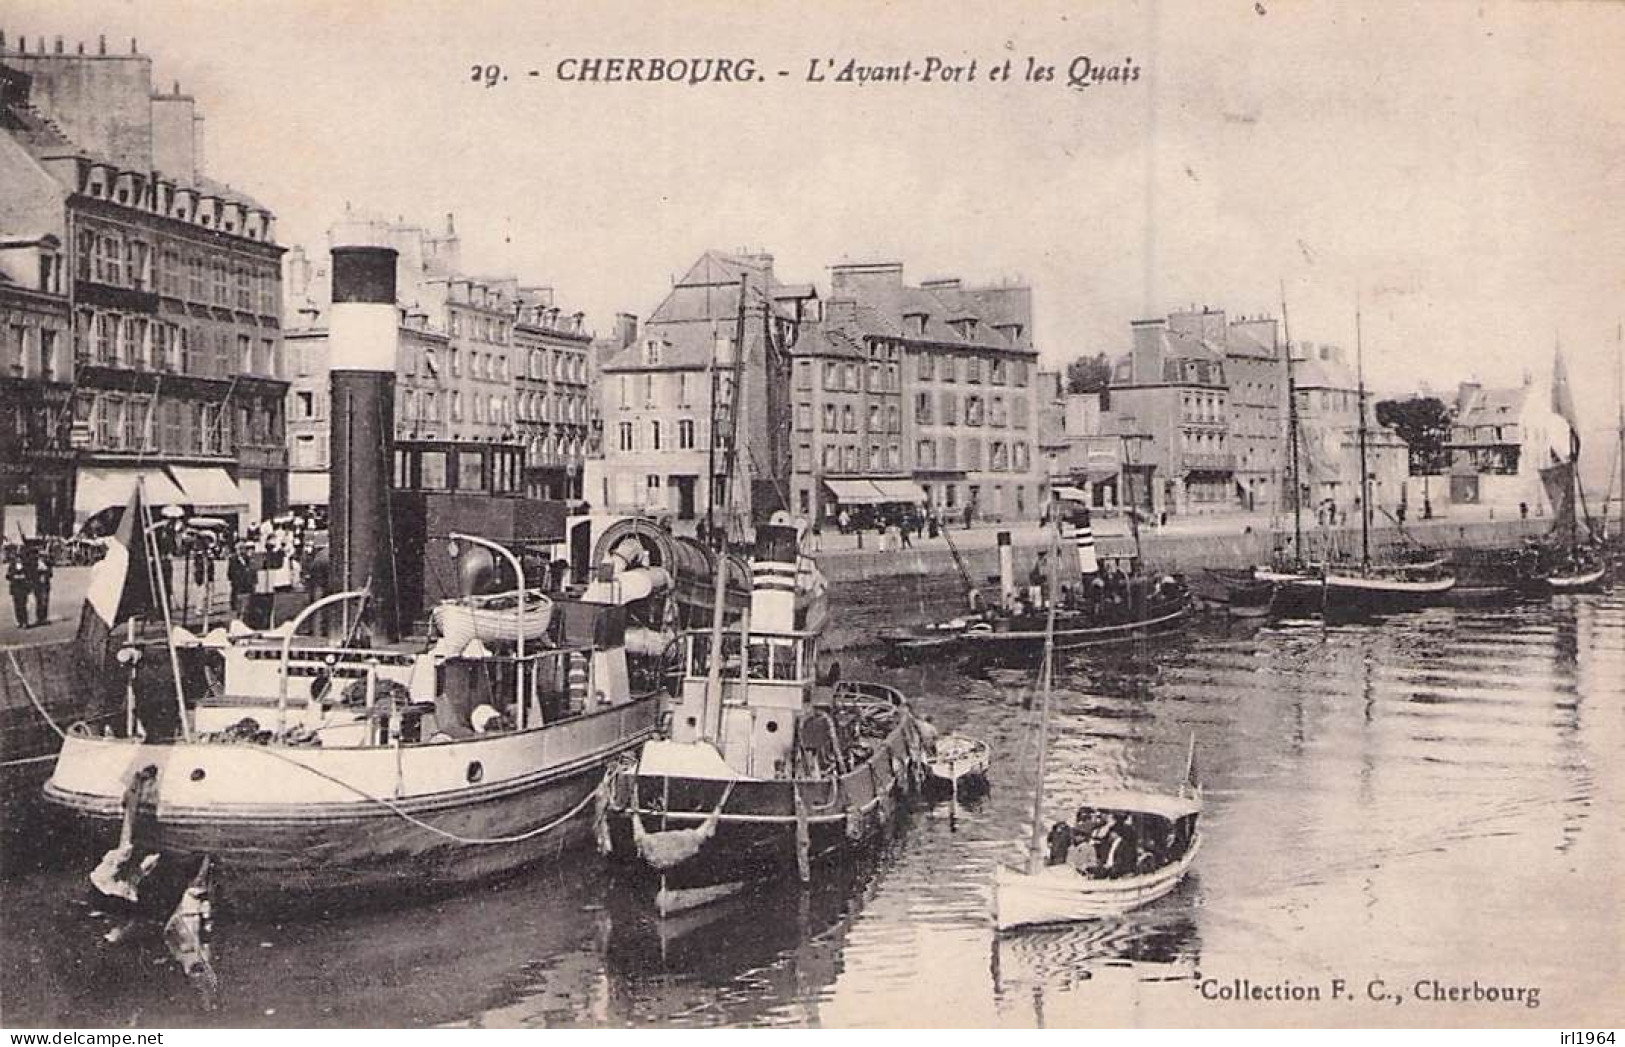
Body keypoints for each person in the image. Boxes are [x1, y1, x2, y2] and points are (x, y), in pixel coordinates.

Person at [7, 545, 34, 629]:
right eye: (17, 557)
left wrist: (24, 578)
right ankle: (19, 621)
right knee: (17, 606)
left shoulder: (26, 565)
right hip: (15, 588)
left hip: (23, 588)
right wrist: (13, 576)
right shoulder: (12, 565)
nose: (18, 558)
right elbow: (8, 576)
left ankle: (25, 622)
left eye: (20, 557)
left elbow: (29, 576)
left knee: (23, 605)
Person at [28, 545, 52, 626]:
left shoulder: (47, 563)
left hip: (45, 584)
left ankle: (44, 618)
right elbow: (32, 574)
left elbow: (50, 574)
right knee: (39, 601)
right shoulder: (34, 563)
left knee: (45, 601)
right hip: (38, 584)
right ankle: (40, 618)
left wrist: (45, 571)